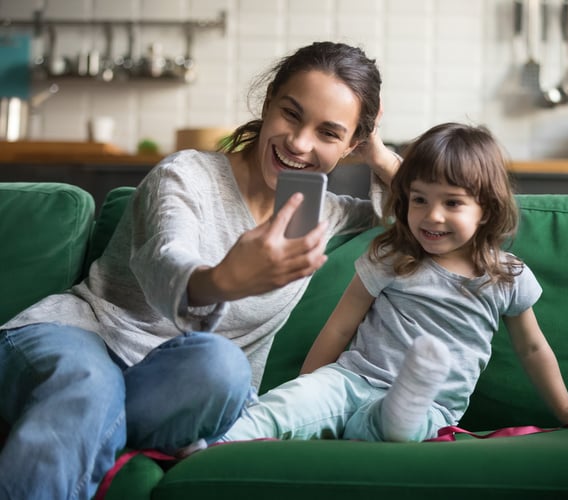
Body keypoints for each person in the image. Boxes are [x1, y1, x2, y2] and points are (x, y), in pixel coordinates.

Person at [0, 41, 399, 500]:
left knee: (223, 365)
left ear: (351, 144)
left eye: (329, 133)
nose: (300, 143)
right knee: (91, 385)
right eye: (291, 114)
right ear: (268, 102)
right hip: (82, 339)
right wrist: (223, 280)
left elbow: (424, 215)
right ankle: (105, 433)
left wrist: (380, 154)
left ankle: (93, 432)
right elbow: (167, 258)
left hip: (170, 388)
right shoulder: (186, 174)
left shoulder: (324, 215)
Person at [222, 122, 568, 444]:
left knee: (398, 423)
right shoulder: (392, 256)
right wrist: (310, 387)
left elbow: (534, 349)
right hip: (351, 380)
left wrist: (565, 408)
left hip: (429, 406)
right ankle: (219, 440)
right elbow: (339, 327)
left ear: (486, 209)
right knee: (286, 405)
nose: (431, 216)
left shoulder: (505, 277)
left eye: (452, 204)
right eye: (419, 199)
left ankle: (407, 393)